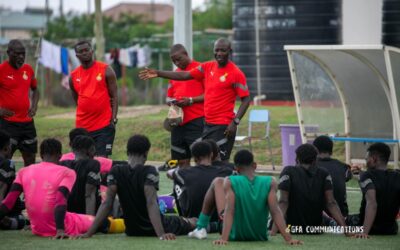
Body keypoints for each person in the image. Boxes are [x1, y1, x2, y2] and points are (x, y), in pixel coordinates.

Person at [139, 38, 251, 162]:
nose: (219, 53)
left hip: (223, 125)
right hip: (207, 125)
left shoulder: (236, 73)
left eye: (223, 50)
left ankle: (232, 177)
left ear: (230, 51)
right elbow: (185, 75)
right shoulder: (207, 67)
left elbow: (246, 99)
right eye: (216, 50)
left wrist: (235, 122)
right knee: (206, 163)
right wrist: (159, 73)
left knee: (220, 164)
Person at [81, 134, 196, 240]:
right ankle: (213, 225)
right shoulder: (149, 171)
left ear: (127, 152)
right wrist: (161, 234)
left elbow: (107, 204)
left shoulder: (116, 171)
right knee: (193, 221)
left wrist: (88, 233)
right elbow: (151, 203)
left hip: (132, 230)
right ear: (146, 153)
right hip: (158, 227)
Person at [188, 149, 302, 245]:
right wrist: (289, 239)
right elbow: (276, 211)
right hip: (259, 236)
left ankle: (200, 227)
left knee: (217, 182)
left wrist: (224, 239)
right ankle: (201, 227)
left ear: (236, 169)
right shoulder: (270, 181)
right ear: (255, 165)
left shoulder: (230, 181)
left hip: (234, 235)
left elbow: (229, 210)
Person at [0, 139, 99, 238]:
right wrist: (60, 230)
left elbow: (8, 203)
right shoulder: (67, 172)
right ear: (60, 155)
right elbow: (60, 200)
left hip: (37, 229)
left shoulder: (23, 171)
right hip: (62, 225)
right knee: (101, 221)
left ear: (41, 155)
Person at [272, 144, 348, 235]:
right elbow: (331, 203)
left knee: (270, 218)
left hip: (292, 228)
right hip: (316, 229)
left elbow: (283, 202)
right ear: (315, 160)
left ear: (297, 159)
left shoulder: (288, 171)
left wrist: (273, 231)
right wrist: (346, 230)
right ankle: (331, 223)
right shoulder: (324, 173)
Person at [69, 40, 118, 157]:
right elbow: (77, 100)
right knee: (82, 161)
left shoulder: (106, 70)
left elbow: (115, 96)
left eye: (87, 50)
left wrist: (114, 118)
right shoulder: (73, 76)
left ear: (92, 51)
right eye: (81, 51)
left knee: (102, 161)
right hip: (82, 127)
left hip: (104, 126)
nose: (85, 53)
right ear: (77, 55)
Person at [167, 141, 232, 219]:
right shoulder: (226, 172)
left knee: (177, 179)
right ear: (211, 155)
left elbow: (169, 173)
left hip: (194, 218)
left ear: (194, 158)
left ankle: (184, 217)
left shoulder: (184, 173)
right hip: (219, 218)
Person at [0, 39, 39, 166]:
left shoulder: (28, 69)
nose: (21, 57)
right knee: (4, 160)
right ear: (8, 53)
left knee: (30, 160)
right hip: (7, 124)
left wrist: (34, 106)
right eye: (17, 54)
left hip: (27, 124)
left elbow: (35, 89)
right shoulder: (1, 70)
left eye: (23, 54)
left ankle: (27, 184)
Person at [349, 143, 400, 238]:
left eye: (366, 159)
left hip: (366, 228)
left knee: (337, 221)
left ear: (374, 159)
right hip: (391, 230)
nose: (366, 161)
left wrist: (364, 232)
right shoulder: (397, 176)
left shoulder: (367, 176)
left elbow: (372, 203)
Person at [166, 44, 204, 168]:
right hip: (177, 123)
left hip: (196, 121)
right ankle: (183, 186)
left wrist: (191, 100)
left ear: (186, 55)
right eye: (174, 61)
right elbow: (168, 96)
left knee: (201, 159)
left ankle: (201, 186)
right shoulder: (174, 75)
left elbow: (211, 94)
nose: (177, 63)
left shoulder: (201, 69)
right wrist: (171, 102)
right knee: (180, 161)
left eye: (179, 59)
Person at [60, 135, 101, 215]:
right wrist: (89, 222)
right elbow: (89, 195)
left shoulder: (63, 164)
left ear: (73, 150)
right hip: (83, 213)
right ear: (91, 149)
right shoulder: (93, 164)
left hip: (67, 215)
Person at [313, 135, 352, 217]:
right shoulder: (343, 167)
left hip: (316, 217)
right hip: (341, 215)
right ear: (331, 151)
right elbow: (349, 176)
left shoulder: (309, 167)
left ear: (314, 150)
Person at [0, 130, 25, 230]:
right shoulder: (7, 164)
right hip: (7, 210)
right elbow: (1, 190)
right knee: (21, 222)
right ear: (6, 148)